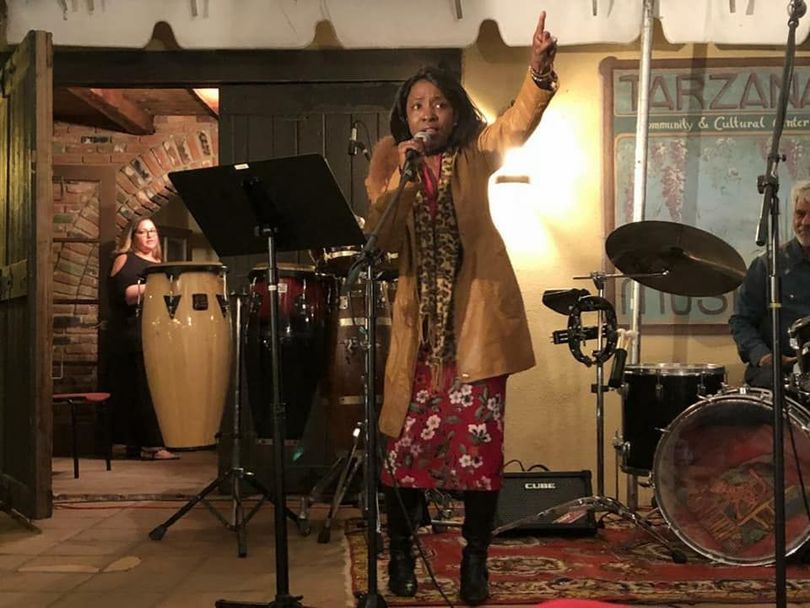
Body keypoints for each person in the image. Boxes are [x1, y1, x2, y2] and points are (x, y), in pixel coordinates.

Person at [364, 11, 558, 606]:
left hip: (475, 331)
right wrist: (402, 172)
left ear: (455, 112)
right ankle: (401, 555)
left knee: (479, 453)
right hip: (416, 338)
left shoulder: (478, 151)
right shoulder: (388, 158)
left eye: (439, 104)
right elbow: (381, 231)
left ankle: (476, 562)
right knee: (402, 451)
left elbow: (517, 122)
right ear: (406, 116)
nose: (428, 113)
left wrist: (538, 74)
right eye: (418, 105)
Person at [106, 217, 177, 460]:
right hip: (131, 334)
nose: (149, 236)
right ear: (132, 236)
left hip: (154, 333)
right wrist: (158, 284)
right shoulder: (125, 259)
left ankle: (140, 444)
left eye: (153, 231)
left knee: (150, 389)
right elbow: (126, 295)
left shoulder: (159, 263)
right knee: (141, 390)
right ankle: (151, 446)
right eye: (143, 232)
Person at [729, 180, 810, 389]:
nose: (806, 222)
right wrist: (764, 356)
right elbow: (741, 321)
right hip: (777, 373)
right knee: (769, 384)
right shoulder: (767, 266)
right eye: (800, 214)